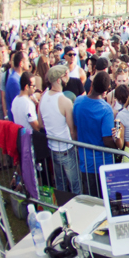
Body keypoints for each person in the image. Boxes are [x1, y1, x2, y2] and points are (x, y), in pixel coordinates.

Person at [73, 71, 115, 196]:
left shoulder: (78, 101)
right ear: (105, 91)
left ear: (92, 84)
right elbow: (107, 139)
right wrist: (118, 146)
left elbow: (75, 124)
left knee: (91, 199)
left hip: (85, 162)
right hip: (101, 163)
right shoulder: (106, 109)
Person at [39, 65, 80, 194]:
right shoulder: (65, 101)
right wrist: (76, 145)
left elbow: (40, 123)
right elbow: (72, 130)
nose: (68, 77)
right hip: (66, 149)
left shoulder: (43, 96)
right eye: (65, 75)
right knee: (75, 185)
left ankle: (62, 205)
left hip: (52, 147)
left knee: (60, 183)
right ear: (58, 80)